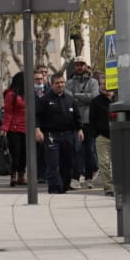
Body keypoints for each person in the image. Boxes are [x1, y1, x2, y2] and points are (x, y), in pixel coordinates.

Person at [36, 72, 82, 195]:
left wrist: (79, 129)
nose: (60, 85)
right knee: (53, 163)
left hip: (68, 135)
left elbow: (77, 117)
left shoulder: (70, 99)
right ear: (52, 84)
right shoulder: (44, 100)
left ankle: (64, 187)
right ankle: (54, 189)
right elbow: (37, 117)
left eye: (62, 82)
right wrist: (37, 130)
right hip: (52, 135)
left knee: (67, 163)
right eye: (57, 83)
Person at [67, 56, 100, 188]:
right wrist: (84, 97)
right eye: (77, 65)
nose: (79, 67)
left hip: (89, 121)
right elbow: (68, 97)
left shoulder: (93, 82)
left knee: (90, 151)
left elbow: (94, 97)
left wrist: (77, 96)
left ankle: (88, 177)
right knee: (77, 150)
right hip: (75, 121)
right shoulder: (69, 82)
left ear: (86, 66)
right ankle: (75, 177)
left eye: (82, 64)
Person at [1, 74, 28, 187]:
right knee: (15, 154)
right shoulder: (11, 94)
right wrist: (4, 129)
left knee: (24, 154)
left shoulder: (27, 94)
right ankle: (14, 176)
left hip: (26, 129)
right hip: (14, 129)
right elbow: (8, 113)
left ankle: (21, 175)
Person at [89, 76, 113, 196]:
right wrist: (96, 135)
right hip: (102, 137)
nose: (103, 86)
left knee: (118, 163)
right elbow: (91, 120)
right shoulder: (96, 101)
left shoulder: (118, 99)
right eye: (101, 84)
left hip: (117, 136)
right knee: (104, 163)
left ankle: (118, 185)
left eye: (106, 84)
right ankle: (108, 187)